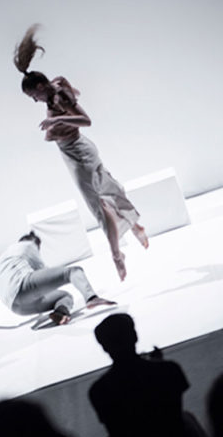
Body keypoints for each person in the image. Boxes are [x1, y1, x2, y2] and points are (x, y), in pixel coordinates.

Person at [14, 24, 148, 281]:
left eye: (34, 95)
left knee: (99, 205)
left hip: (78, 152)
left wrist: (54, 122)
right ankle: (135, 227)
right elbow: (66, 87)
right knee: (108, 189)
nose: (34, 101)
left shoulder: (58, 97)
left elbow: (86, 120)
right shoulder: (55, 90)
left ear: (41, 85)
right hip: (75, 151)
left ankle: (117, 255)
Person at [0, 231, 114, 329]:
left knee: (64, 296)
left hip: (17, 308)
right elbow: (43, 271)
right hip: (23, 286)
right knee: (73, 271)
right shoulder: (27, 245)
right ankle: (91, 298)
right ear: (33, 242)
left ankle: (60, 313)